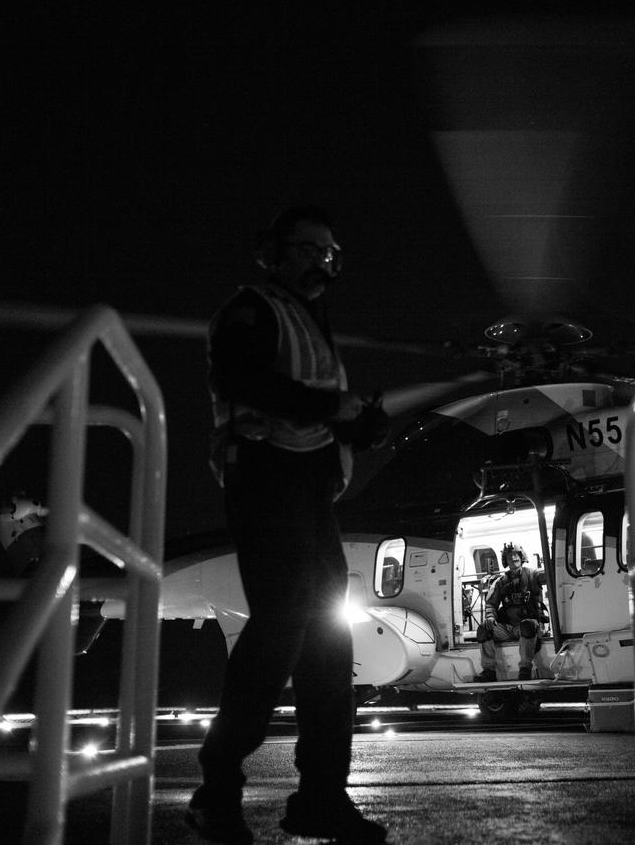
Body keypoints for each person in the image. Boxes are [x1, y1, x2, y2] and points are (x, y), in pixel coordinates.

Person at [186, 205, 390, 845]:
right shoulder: (251, 312)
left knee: (330, 643)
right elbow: (245, 378)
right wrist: (335, 410)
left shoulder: (310, 325)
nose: (320, 262)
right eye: (306, 249)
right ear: (271, 252)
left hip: (309, 494)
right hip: (266, 481)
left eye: (328, 252)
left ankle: (322, 798)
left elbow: (315, 404)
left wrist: (360, 424)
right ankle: (216, 788)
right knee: (280, 627)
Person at [474, 543, 548, 682]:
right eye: (509, 556)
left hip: (530, 625)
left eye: (516, 554)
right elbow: (491, 604)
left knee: (527, 626)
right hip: (508, 628)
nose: (513, 558)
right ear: (505, 561)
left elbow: (549, 574)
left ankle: (525, 669)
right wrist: (490, 617)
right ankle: (489, 671)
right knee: (484, 629)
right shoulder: (500, 582)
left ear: (522, 557)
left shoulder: (533, 575)